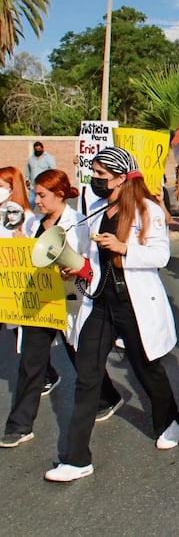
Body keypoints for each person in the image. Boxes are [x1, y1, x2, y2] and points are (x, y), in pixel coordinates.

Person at [44, 147, 179, 482]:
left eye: (102, 176)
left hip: (133, 304)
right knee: (87, 376)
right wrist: (73, 268)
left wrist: (124, 248)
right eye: (94, 174)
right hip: (99, 304)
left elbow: (161, 255)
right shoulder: (94, 209)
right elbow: (83, 251)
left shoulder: (148, 210)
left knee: (147, 369)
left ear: (121, 178)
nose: (96, 181)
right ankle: (77, 459)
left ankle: (170, 419)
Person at [1, 171, 124, 449]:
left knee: (82, 358)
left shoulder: (76, 223)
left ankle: (107, 397)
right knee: (31, 362)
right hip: (42, 303)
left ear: (59, 194)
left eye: (43, 195)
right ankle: (19, 425)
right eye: (35, 194)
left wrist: (74, 269)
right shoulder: (34, 222)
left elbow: (86, 259)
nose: (37, 200)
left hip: (69, 303)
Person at [25, 141, 57, 209]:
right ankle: (28, 217)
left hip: (45, 185)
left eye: (39, 149)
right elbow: (28, 170)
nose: (38, 151)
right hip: (33, 186)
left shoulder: (49, 158)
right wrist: (27, 179)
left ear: (42, 148)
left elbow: (53, 171)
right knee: (31, 202)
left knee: (45, 203)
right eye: (36, 150)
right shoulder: (31, 158)